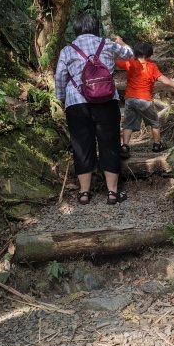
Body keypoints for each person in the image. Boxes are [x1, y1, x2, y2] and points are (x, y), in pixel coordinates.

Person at [55, 12, 133, 205]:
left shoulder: (67, 50)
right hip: (106, 101)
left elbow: (59, 77)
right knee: (109, 143)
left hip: (76, 103)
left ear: (77, 29)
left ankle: (83, 193)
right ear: (95, 27)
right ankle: (113, 193)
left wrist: (62, 99)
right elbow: (130, 55)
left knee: (82, 145)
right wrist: (122, 42)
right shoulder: (106, 44)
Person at [116, 41, 174, 158]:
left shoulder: (131, 63)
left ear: (135, 54)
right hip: (145, 100)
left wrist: (120, 45)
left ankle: (125, 146)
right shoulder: (152, 67)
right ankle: (157, 145)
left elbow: (117, 62)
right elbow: (162, 78)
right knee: (154, 123)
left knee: (128, 124)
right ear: (150, 55)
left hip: (130, 99)